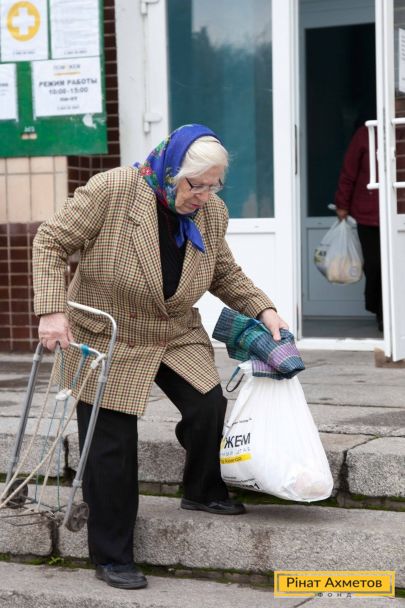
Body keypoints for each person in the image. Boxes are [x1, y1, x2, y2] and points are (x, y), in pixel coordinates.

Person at [32, 124, 288, 590]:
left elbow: (223, 272)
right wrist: (51, 310)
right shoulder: (114, 190)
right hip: (108, 333)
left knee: (207, 405)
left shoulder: (212, 212)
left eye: (214, 186)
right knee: (112, 442)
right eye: (196, 185)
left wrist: (264, 310)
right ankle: (112, 555)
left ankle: (202, 489)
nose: (204, 196)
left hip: (172, 329)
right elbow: (51, 240)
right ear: (171, 172)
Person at [334, 124, 383, 331]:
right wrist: (342, 204)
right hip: (368, 214)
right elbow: (349, 171)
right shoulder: (365, 134)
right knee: (375, 266)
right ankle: (380, 311)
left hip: (396, 215)